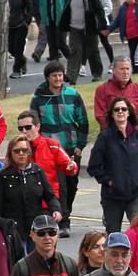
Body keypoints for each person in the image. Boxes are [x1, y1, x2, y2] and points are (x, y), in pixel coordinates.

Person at [30, 62, 92, 230]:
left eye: (60, 75)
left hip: (71, 147)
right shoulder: (38, 98)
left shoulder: (73, 95)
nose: (58, 78)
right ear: (48, 78)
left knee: (72, 184)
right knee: (60, 185)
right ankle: (64, 221)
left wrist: (80, 145)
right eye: (54, 76)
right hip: (50, 149)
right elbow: (34, 123)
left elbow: (83, 121)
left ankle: (66, 212)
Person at [89, 95, 138, 233]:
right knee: (113, 234)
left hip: (135, 193)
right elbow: (94, 166)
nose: (120, 112)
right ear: (112, 114)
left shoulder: (136, 135)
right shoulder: (105, 137)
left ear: (129, 113)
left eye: (124, 109)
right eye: (116, 109)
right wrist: (109, 181)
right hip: (112, 196)